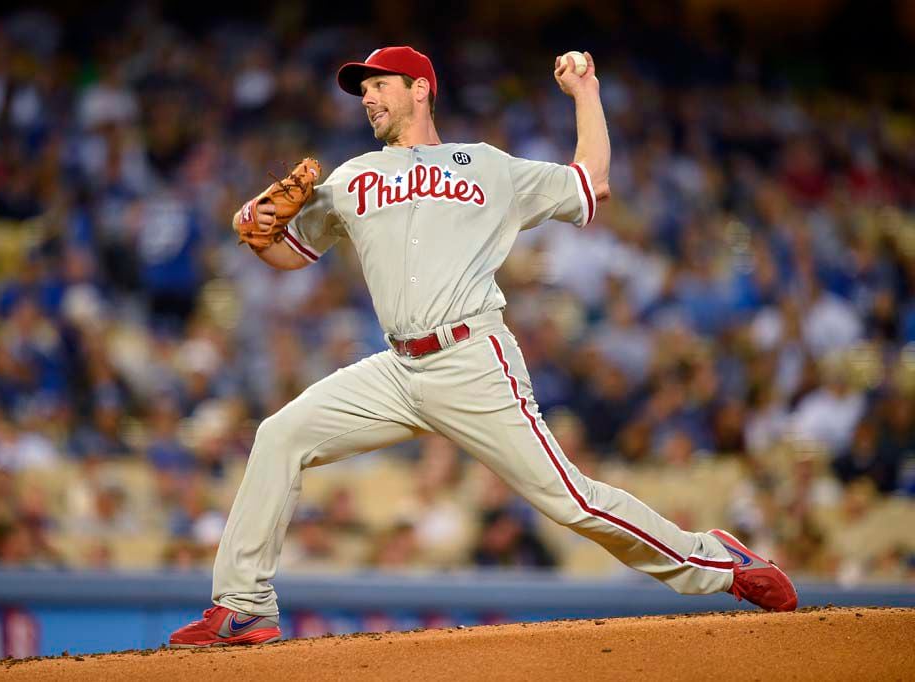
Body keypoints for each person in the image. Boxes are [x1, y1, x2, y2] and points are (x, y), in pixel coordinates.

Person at [169, 46, 797, 648]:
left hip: (472, 359)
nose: (369, 99)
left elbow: (591, 181)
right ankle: (244, 607)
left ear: (421, 89)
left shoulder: (487, 166)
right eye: (363, 91)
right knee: (280, 435)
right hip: (396, 368)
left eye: (380, 84)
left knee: (571, 501)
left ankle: (719, 560)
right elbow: (286, 252)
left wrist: (587, 93)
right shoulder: (352, 177)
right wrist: (251, 221)